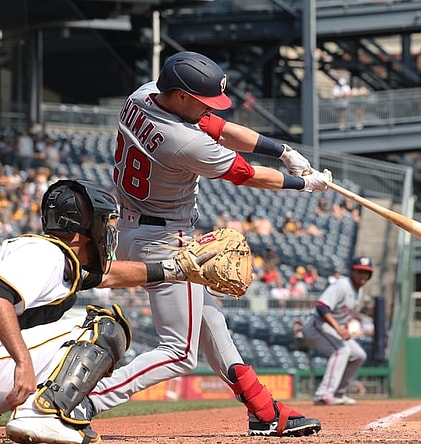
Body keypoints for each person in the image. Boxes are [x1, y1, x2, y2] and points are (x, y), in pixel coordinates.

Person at [87, 51, 329, 437]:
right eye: (201, 99)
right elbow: (245, 174)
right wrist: (304, 183)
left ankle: (262, 410)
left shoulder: (143, 95)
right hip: (165, 241)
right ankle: (84, 400)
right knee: (178, 353)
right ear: (181, 96)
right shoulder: (182, 141)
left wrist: (282, 151)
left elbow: (216, 125)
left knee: (212, 321)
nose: (209, 107)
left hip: (138, 227)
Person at [1, 179, 211, 444]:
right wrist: (23, 361)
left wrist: (175, 270)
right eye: (103, 222)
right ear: (83, 229)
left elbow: (110, 275)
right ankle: (38, 415)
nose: (108, 231)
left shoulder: (59, 259)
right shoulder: (42, 253)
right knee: (102, 327)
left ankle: (40, 412)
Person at [302, 256, 373, 405]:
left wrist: (345, 328)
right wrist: (339, 328)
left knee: (359, 355)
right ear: (352, 271)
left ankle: (339, 393)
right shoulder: (342, 285)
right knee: (341, 351)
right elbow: (321, 307)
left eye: (366, 273)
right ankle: (323, 394)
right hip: (316, 324)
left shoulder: (358, 292)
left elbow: (344, 315)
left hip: (332, 328)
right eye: (359, 272)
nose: (363, 276)